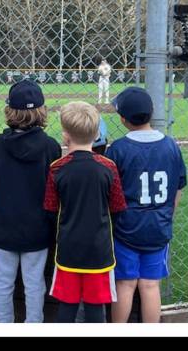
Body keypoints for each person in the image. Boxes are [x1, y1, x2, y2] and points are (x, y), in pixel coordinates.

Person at [108, 88, 187, 323]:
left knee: (125, 284)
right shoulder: (170, 146)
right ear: (152, 113)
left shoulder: (118, 149)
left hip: (126, 227)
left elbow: (111, 193)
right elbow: (178, 189)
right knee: (151, 285)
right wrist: (166, 217)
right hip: (158, 226)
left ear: (123, 119)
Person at [0, 80, 61, 323]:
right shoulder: (50, 146)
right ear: (41, 111)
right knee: (34, 282)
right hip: (38, 228)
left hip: (5, 226)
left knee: (3, 282)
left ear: (10, 110)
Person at [43, 102, 127, 322]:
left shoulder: (57, 168)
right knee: (95, 308)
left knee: (67, 307)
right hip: (99, 250)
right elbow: (118, 207)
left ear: (65, 136)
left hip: (69, 249)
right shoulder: (108, 167)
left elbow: (50, 209)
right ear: (98, 133)